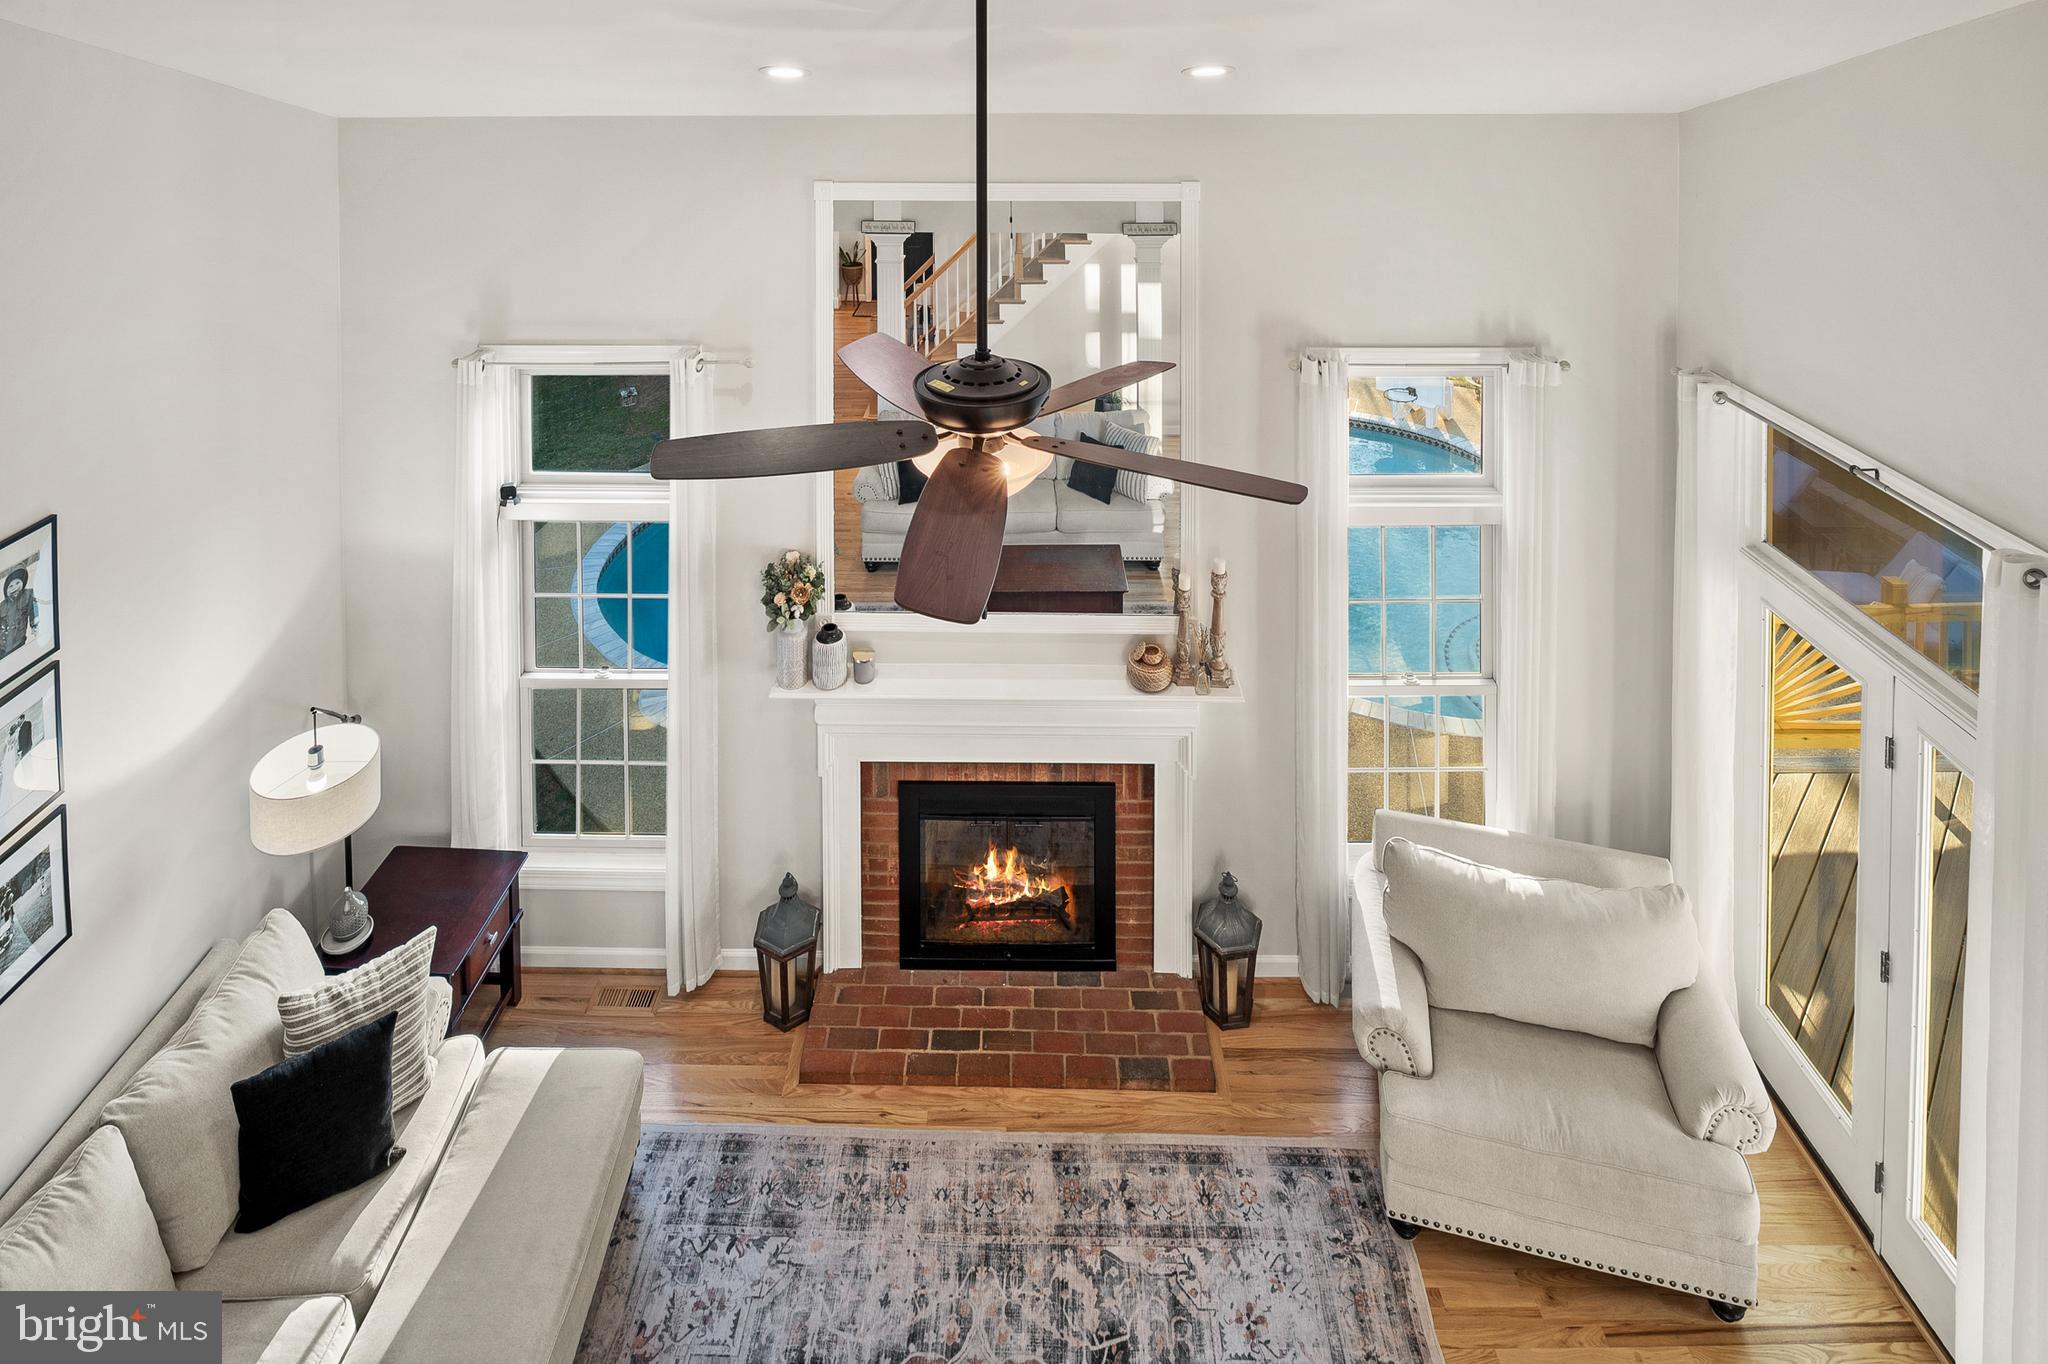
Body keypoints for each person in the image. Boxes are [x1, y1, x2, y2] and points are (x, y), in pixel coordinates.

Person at [0, 566, 37, 659]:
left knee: (17, 660)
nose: (14, 587)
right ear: (6, 589)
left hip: (18, 642)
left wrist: (35, 625)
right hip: (2, 646)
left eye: (17, 583)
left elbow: (34, 609)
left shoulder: (28, 595)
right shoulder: (2, 605)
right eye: (10, 586)